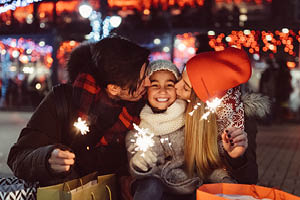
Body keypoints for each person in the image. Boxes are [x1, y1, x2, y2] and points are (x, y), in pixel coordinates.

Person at [7, 36, 151, 190]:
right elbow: (18, 157)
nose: (148, 82)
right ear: (113, 88)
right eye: (141, 79)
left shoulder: (145, 108)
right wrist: (47, 159)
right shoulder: (62, 101)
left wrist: (128, 178)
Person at [126, 60, 231, 200]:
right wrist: (139, 164)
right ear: (146, 90)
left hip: (187, 190)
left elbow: (206, 166)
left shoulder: (192, 123)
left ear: (177, 89)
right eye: (155, 85)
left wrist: (224, 179)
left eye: (169, 85)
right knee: (151, 184)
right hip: (154, 191)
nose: (162, 91)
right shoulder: (137, 131)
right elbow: (136, 171)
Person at [175, 47, 270, 184]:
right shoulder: (178, 109)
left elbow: (249, 179)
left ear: (202, 103)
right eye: (179, 77)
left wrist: (237, 158)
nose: (175, 87)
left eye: (185, 88)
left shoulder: (242, 121)